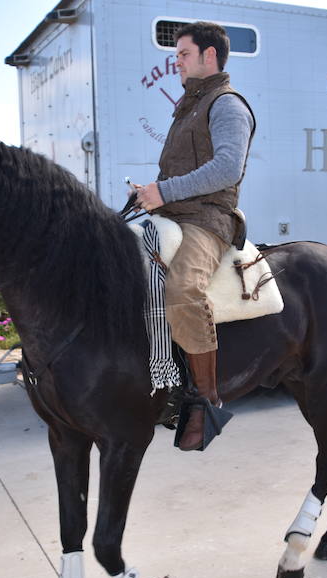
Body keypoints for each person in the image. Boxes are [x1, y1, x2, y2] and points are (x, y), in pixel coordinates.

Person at [134, 21, 256, 451]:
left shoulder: (227, 105)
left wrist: (162, 191)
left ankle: (206, 399)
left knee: (183, 289)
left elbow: (227, 169)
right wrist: (150, 196)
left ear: (209, 56)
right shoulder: (189, 104)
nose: (177, 62)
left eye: (183, 54)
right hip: (172, 214)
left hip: (208, 220)